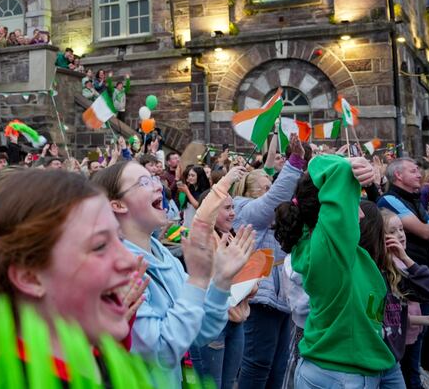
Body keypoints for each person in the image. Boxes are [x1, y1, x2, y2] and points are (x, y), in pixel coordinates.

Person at [0, 169, 147, 382]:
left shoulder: (97, 362)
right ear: (30, 277)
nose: (129, 260)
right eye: (99, 246)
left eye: (120, 238)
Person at [92, 161, 255, 387]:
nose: (158, 186)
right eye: (144, 182)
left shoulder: (165, 256)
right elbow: (161, 351)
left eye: (154, 178)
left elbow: (201, 331)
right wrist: (198, 279)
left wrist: (221, 281)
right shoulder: (116, 268)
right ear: (118, 205)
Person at [274, 155, 404, 387]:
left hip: (343, 367)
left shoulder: (314, 245)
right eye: (352, 204)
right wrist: (348, 164)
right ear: (330, 213)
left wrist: (352, 165)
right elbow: (332, 173)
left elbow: (308, 193)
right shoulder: (332, 252)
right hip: (344, 374)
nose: (362, 214)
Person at [233, 134, 306, 389]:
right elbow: (274, 200)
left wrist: (305, 167)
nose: (271, 189)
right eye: (266, 186)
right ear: (248, 191)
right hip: (260, 297)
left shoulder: (271, 211)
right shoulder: (242, 208)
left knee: (280, 364)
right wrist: (294, 162)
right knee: (257, 363)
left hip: (282, 297)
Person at [378, 157, 429, 388]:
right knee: (406, 360)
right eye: (413, 170)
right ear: (398, 175)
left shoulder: (415, 201)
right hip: (408, 282)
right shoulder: (390, 200)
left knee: (415, 350)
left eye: (403, 229)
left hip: (418, 278)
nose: (419, 174)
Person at [359, 205, 429, 375]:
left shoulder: (397, 270)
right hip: (370, 358)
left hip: (392, 359)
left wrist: (405, 258)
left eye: (402, 229)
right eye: (392, 231)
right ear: (378, 236)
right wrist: (427, 320)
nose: (400, 235)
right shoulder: (371, 271)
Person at [190, 188, 258, 389]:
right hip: (212, 326)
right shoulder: (203, 238)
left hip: (236, 322)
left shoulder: (231, 237)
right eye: (227, 208)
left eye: (233, 207)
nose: (233, 213)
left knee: (228, 385)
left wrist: (251, 284)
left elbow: (239, 280)